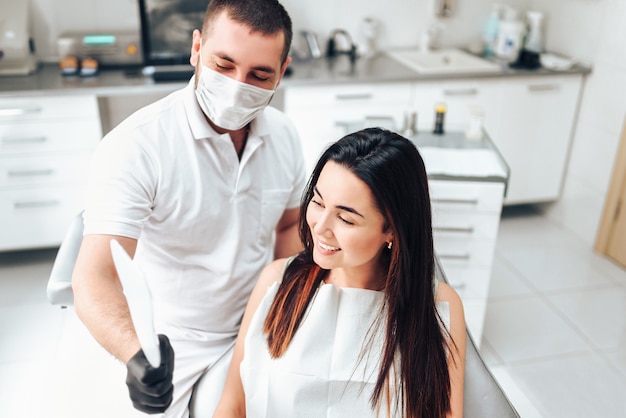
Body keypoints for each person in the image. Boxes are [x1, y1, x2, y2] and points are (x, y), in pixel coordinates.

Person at [71, 0, 306, 416]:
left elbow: (288, 226)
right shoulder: (137, 146)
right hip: (172, 339)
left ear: (281, 71)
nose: (237, 85)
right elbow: (94, 275)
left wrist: (284, 304)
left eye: (259, 75)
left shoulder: (284, 136)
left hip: (259, 323)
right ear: (196, 48)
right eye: (224, 64)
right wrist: (136, 353)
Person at [214, 128, 467, 418]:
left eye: (345, 218)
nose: (320, 227)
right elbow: (232, 406)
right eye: (318, 202)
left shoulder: (438, 305)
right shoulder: (276, 282)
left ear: (392, 229)